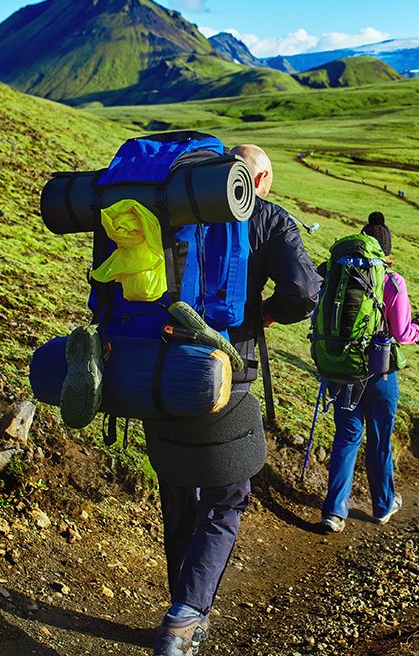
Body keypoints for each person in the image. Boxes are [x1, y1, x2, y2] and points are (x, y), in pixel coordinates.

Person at [151, 144, 321, 656]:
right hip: (228, 373)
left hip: (160, 370)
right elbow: (305, 291)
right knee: (226, 499)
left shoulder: (175, 203)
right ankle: (185, 619)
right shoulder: (268, 217)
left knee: (179, 494)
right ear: (261, 176)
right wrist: (262, 315)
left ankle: (183, 605)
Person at [320, 215, 419, 533]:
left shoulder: (338, 272)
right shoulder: (392, 281)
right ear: (386, 251)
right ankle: (383, 505)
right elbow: (402, 332)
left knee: (346, 437)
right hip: (380, 374)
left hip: (341, 368)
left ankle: (334, 512)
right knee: (380, 440)